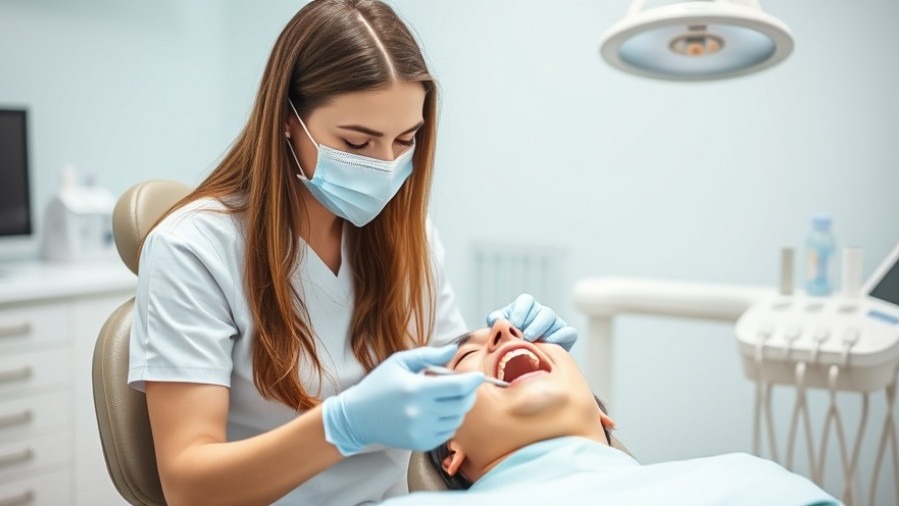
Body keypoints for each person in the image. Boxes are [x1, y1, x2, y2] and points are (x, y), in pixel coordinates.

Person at [126, 1, 576, 505]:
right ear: (287, 120)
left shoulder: (409, 235)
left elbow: (447, 375)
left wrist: (502, 349)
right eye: (357, 143)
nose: (386, 166)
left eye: (405, 139)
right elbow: (189, 487)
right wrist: (342, 427)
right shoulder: (193, 249)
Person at [381, 319, 841, 506]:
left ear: (604, 417)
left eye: (529, 334)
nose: (504, 329)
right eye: (465, 359)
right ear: (451, 453)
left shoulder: (747, 479)